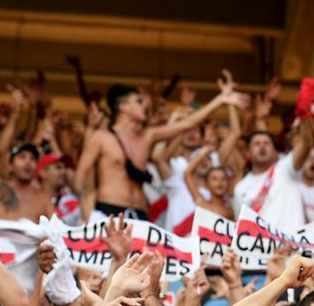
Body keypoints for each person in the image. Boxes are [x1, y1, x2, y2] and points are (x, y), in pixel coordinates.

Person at [75, 73, 248, 221]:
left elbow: (188, 123)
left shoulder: (148, 136)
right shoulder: (101, 138)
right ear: (124, 107)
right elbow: (80, 180)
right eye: (139, 101)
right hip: (108, 212)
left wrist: (220, 99)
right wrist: (86, 213)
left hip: (140, 215)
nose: (145, 105)